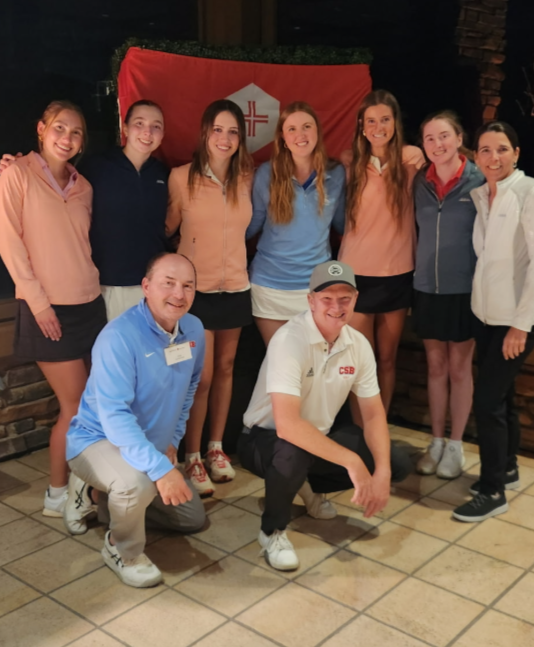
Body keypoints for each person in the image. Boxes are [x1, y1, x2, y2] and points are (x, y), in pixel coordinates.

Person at [238, 260, 412, 571]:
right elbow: (288, 426)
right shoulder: (289, 340)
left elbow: (373, 415)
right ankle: (272, 532)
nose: (336, 306)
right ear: (310, 301)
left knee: (395, 463)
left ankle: (308, 486)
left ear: (356, 300)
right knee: (292, 454)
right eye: (327, 298)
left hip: (317, 437)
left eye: (345, 298)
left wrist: (381, 471)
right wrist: (352, 461)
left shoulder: (358, 344)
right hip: (263, 438)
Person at [65, 253, 206, 587]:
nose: (179, 294)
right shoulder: (118, 337)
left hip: (149, 445)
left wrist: (172, 441)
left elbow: (189, 390)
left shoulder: (195, 329)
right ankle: (121, 549)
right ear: (146, 287)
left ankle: (104, 499)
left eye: (188, 286)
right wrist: (159, 469)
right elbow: (114, 417)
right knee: (136, 484)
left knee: (191, 518)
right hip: (97, 439)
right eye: (168, 284)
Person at [0, 101, 107, 517]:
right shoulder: (16, 174)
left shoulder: (85, 187)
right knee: (75, 405)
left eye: (77, 132)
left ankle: (85, 486)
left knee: (93, 403)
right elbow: (10, 246)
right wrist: (40, 304)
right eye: (60, 128)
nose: (67, 138)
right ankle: (58, 494)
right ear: (41, 129)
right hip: (48, 309)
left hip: (89, 304)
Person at [0, 100, 169, 321]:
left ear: (163, 133)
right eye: (139, 123)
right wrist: (17, 165)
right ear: (125, 128)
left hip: (153, 284)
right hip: (106, 285)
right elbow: (54, 173)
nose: (147, 132)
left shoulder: (164, 173)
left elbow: (170, 223)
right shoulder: (95, 167)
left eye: (156, 126)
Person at [166, 100, 254, 497]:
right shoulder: (180, 178)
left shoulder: (247, 179)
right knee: (198, 377)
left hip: (234, 286)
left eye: (233, 131)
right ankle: (193, 455)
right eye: (218, 129)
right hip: (194, 294)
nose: (225, 138)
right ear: (205, 133)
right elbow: (164, 230)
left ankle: (218, 449)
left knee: (226, 368)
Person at [453, 122, 534, 522]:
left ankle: (492, 490)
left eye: (502, 149)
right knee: (500, 397)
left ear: (516, 153)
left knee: (486, 403)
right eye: (485, 150)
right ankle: (507, 467)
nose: (493, 157)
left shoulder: (528, 192)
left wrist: (521, 325)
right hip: (485, 316)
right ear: (476, 157)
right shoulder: (482, 195)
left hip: (513, 321)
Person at [339, 90, 425, 420]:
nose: (378, 127)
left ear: (395, 123)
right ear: (362, 125)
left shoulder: (411, 160)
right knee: (361, 361)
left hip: (398, 273)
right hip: (357, 275)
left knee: (387, 359)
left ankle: (379, 428)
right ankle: (360, 430)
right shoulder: (350, 164)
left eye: (385, 120)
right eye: (371, 120)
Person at [412, 112, 485, 479]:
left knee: (459, 368)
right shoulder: (418, 183)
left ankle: (456, 445)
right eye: (429, 139)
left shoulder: (479, 180)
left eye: (444, 137)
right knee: (436, 367)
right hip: (426, 287)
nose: (437, 145)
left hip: (464, 290)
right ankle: (436, 441)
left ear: (459, 138)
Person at [247, 101, 346, 347]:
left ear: (317, 132)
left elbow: (344, 226)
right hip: (269, 287)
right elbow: (253, 225)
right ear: (282, 137)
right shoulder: (266, 174)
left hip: (317, 288)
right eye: (291, 129)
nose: (300, 135)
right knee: (280, 365)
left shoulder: (336, 174)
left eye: (306, 126)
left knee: (315, 369)